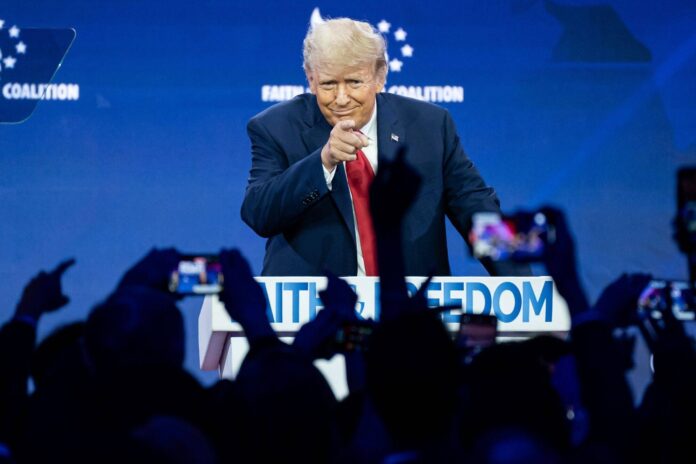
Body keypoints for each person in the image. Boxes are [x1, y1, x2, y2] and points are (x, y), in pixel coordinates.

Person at [242, 17, 502, 276]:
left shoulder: (430, 126)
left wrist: (524, 284)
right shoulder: (275, 127)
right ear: (311, 79)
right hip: (319, 309)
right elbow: (259, 213)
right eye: (329, 84)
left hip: (409, 307)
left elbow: (475, 207)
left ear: (380, 76)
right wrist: (324, 161)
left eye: (354, 82)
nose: (341, 99)